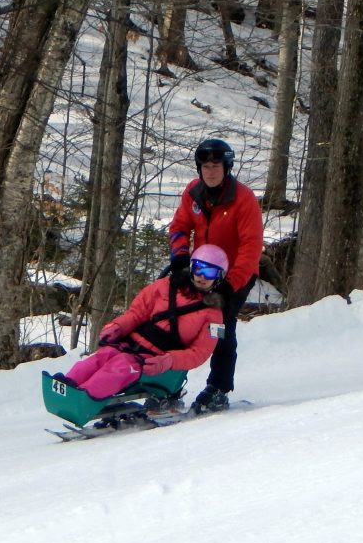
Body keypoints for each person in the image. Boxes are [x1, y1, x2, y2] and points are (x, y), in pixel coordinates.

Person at [169, 138, 264, 413]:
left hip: (237, 272)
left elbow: (251, 248)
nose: (210, 171)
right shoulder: (193, 193)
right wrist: (179, 260)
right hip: (201, 269)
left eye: (216, 165)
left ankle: (219, 388)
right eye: (205, 166)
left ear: (227, 167)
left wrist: (230, 286)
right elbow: (179, 226)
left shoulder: (243, 200)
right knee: (178, 320)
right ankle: (170, 386)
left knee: (221, 326)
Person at [63, 245, 229, 400]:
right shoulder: (166, 286)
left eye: (210, 273)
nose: (202, 276)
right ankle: (68, 383)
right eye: (199, 268)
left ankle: (86, 395)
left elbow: (200, 352)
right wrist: (117, 327)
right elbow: (137, 312)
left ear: (219, 276)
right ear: (192, 267)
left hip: (154, 359)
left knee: (120, 366)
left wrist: (169, 360)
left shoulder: (215, 316)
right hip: (131, 343)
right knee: (104, 355)